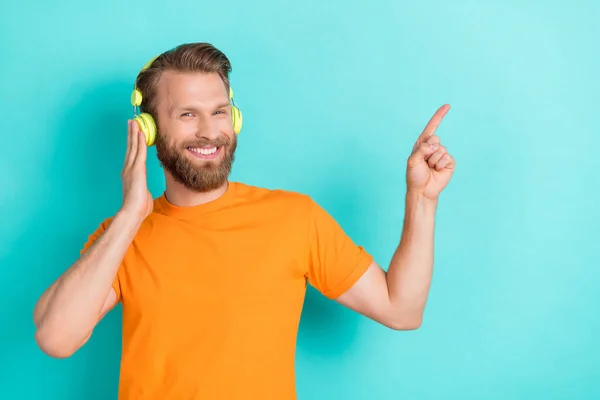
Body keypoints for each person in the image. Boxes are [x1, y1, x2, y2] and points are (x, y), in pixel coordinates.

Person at [33, 42, 455, 399]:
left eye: (219, 112)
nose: (209, 131)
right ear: (149, 129)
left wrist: (422, 199)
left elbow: (402, 310)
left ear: (234, 118)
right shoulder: (122, 236)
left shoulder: (294, 218)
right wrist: (129, 217)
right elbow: (56, 337)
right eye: (187, 114)